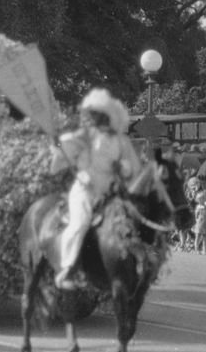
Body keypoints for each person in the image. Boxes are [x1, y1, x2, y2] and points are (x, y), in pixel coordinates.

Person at [49, 88, 153, 290]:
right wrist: (58, 146)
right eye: (91, 115)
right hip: (85, 192)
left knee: (133, 222)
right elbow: (59, 161)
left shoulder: (121, 141)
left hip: (112, 194)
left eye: (97, 115)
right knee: (80, 224)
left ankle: (137, 264)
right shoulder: (82, 137)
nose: (93, 119)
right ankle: (68, 267)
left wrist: (122, 167)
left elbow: (133, 168)